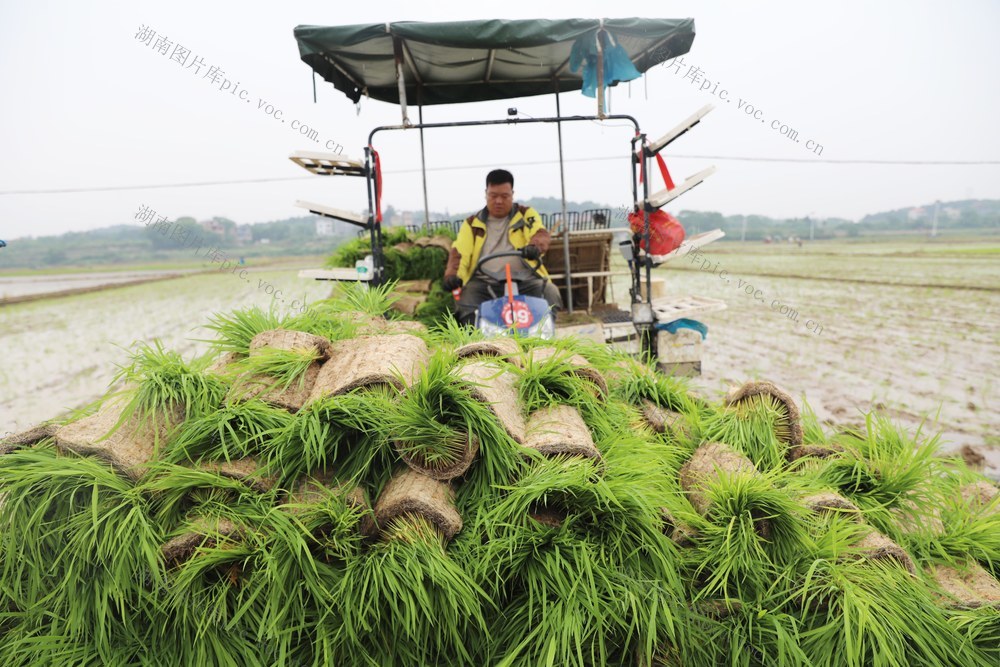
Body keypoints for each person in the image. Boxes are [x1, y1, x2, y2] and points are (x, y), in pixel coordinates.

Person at [443, 169, 563, 326]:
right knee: (466, 300)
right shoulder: (471, 224)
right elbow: (460, 252)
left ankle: (544, 339)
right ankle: (475, 343)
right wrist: (452, 275)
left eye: (504, 196)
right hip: (484, 283)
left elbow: (539, 232)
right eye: (493, 196)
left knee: (550, 292)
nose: (498, 201)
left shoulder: (526, 214)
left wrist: (535, 247)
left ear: (512, 194)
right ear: (486, 193)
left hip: (526, 279)